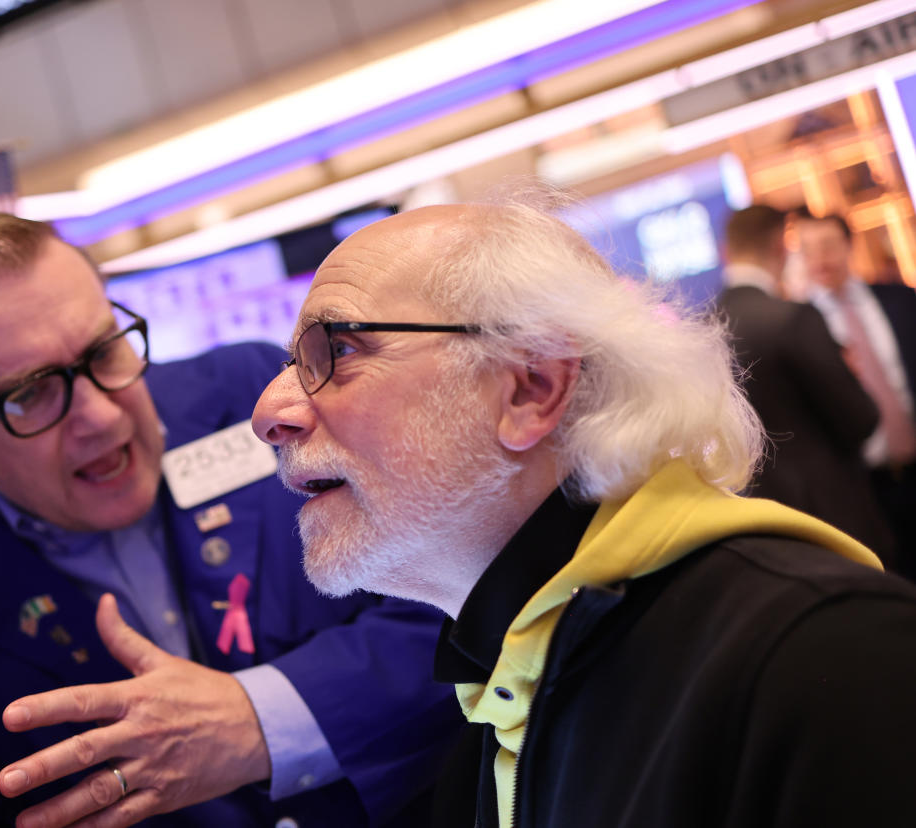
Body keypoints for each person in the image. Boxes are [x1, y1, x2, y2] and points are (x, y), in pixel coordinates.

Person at [0, 212, 461, 828]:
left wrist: (258, 718)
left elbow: (465, 610)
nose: (101, 417)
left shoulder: (259, 401)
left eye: (103, 351)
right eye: (31, 393)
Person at [251, 196, 916, 828]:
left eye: (336, 351)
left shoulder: (822, 652)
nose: (269, 412)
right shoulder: (505, 698)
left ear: (530, 386)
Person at [716, 204, 894, 559]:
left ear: (726, 251)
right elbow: (861, 420)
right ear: (782, 249)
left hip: (765, 526)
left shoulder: (704, 328)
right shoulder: (793, 317)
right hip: (837, 515)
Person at [795, 207, 916, 579]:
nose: (820, 259)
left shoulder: (901, 300)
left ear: (849, 245)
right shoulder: (800, 327)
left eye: (828, 245)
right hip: (865, 489)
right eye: (807, 249)